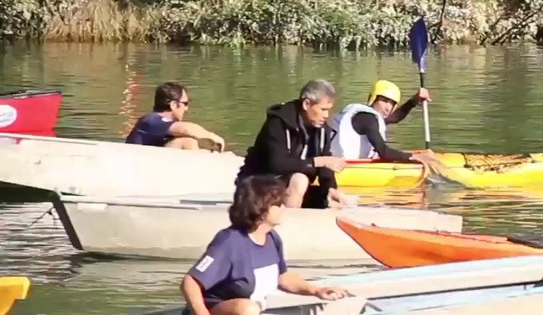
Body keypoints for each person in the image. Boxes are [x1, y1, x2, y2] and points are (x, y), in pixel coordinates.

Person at [180, 175, 349, 315]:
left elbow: (282, 278)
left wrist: (316, 291)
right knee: (247, 309)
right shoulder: (229, 242)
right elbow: (190, 282)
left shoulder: (272, 238)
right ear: (262, 208)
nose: (284, 208)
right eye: (279, 204)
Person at [237, 79, 348, 209]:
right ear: (307, 104)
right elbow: (277, 164)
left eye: (328, 110)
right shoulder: (278, 122)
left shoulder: (322, 129)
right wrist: (317, 161)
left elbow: (325, 166)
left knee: (334, 201)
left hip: (288, 186)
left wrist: (330, 189)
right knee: (300, 180)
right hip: (256, 187)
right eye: (323, 109)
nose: (326, 115)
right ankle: (289, 225)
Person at [329, 80, 435, 163]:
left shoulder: (362, 115)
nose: (388, 108)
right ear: (373, 98)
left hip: (338, 161)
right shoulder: (367, 119)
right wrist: (415, 157)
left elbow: (394, 117)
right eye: (384, 101)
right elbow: (385, 153)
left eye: (392, 103)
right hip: (344, 167)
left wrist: (414, 101)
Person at [125, 81, 227, 151]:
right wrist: (211, 136)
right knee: (186, 141)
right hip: (137, 169)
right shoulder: (151, 121)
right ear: (174, 105)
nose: (186, 108)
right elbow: (186, 129)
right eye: (185, 103)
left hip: (150, 164)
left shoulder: (162, 127)